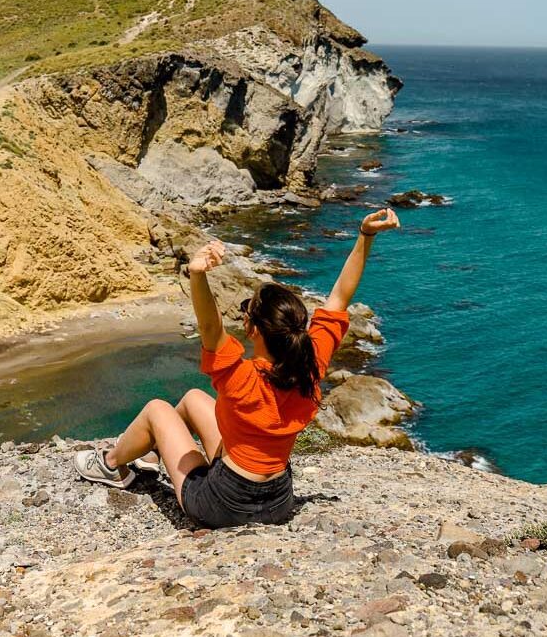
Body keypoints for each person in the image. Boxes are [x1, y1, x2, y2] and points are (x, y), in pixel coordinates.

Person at [74, 207, 400, 528]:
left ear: (253, 329)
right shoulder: (311, 364)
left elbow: (210, 327)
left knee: (157, 409)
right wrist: (365, 235)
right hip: (278, 500)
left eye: (247, 310)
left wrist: (197, 274)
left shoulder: (239, 377)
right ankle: (150, 454)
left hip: (221, 504)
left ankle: (112, 464)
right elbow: (340, 296)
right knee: (190, 399)